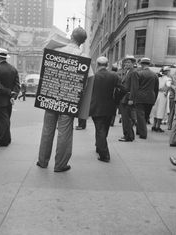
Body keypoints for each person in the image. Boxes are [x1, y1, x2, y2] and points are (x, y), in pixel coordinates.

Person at [36, 27, 93, 172]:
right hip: (69, 99)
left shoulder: (56, 50)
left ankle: (42, 161)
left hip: (51, 95)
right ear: (83, 42)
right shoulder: (83, 56)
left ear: (71, 36)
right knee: (64, 132)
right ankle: (60, 164)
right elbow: (90, 78)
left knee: (47, 129)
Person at [89, 56, 120, 162]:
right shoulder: (114, 76)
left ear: (97, 64)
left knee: (100, 130)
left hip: (96, 107)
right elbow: (123, 89)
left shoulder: (93, 76)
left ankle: (104, 155)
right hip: (110, 107)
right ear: (107, 65)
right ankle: (99, 146)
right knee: (104, 129)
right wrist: (116, 101)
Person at [0, 47, 20, 147]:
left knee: (1, 121)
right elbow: (17, 85)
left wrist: (9, 92)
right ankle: (7, 139)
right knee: (6, 120)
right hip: (10, 100)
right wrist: (13, 95)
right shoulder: (13, 69)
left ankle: (2, 141)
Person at [131, 58, 159, 139]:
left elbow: (135, 87)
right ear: (149, 64)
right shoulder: (154, 75)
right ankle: (139, 131)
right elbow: (156, 89)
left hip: (140, 97)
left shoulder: (138, 73)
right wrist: (154, 99)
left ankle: (143, 133)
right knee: (145, 116)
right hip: (150, 98)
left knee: (140, 115)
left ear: (142, 64)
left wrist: (133, 98)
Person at [119, 55, 137, 142]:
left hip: (127, 98)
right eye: (125, 62)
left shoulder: (133, 72)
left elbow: (134, 87)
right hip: (124, 98)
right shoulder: (127, 71)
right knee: (125, 118)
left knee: (126, 118)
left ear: (133, 63)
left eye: (129, 62)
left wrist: (131, 99)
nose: (127, 63)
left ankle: (128, 136)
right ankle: (129, 135)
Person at [151, 66, 171, 133]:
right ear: (166, 71)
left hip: (156, 94)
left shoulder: (157, 77)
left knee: (155, 109)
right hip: (163, 95)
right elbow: (168, 87)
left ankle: (154, 125)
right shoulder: (168, 79)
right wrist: (164, 89)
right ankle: (158, 126)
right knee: (161, 110)